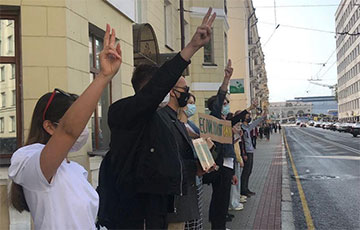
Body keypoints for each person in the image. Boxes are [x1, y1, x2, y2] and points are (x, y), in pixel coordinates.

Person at [97, 8, 216, 229]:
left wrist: (198, 166)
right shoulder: (123, 111)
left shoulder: (159, 118)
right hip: (133, 216)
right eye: (164, 87)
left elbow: (168, 162)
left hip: (159, 212)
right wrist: (191, 48)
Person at [8, 24, 121, 230]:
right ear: (50, 127)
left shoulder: (75, 171)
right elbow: (68, 131)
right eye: (78, 124)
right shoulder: (28, 160)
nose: (82, 131)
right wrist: (103, 77)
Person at [203, 60, 256, 230]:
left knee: (223, 199)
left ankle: (219, 224)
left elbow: (238, 119)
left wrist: (250, 108)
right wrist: (226, 81)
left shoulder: (225, 123)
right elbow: (218, 102)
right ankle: (217, 226)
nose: (226, 107)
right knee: (220, 199)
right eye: (224, 105)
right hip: (219, 167)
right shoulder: (216, 119)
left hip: (227, 167)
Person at [178, 94, 204, 230]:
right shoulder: (178, 125)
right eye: (190, 103)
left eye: (194, 103)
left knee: (196, 216)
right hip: (187, 177)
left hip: (197, 177)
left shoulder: (192, 125)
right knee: (188, 220)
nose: (192, 106)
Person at [240, 111, 267, 197]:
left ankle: (246, 188)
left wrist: (262, 117)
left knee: (249, 171)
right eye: (248, 116)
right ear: (243, 117)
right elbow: (242, 143)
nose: (249, 118)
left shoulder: (247, 127)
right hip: (246, 152)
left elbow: (255, 123)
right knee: (245, 171)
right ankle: (243, 190)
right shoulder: (241, 128)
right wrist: (243, 154)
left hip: (250, 151)